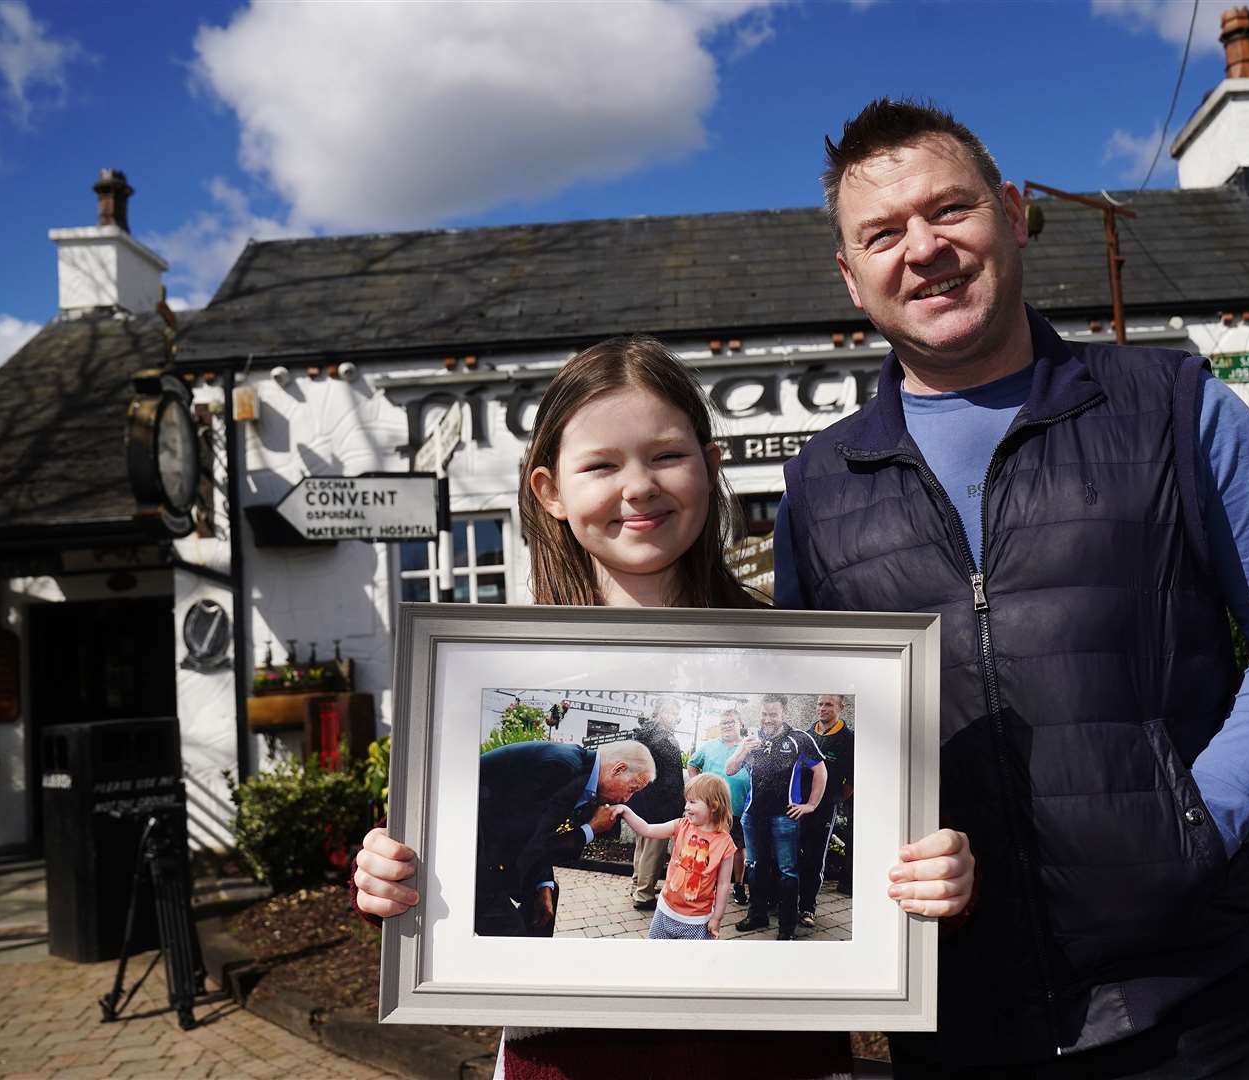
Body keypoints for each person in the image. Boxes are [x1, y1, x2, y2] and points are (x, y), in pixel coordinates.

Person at [770, 98, 1249, 1077]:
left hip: (1195, 1004)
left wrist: (1200, 820)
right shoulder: (818, 487)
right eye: (882, 232)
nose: (923, 248)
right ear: (851, 274)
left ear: (1008, 212)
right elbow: (814, 728)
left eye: (948, 210)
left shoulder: (1171, 405)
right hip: (960, 1020)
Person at [352, 336, 899, 1080]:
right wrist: (398, 882)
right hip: (571, 1060)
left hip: (772, 1055)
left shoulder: (808, 651)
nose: (637, 486)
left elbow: (892, 856)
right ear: (548, 490)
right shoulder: (485, 665)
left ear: (711, 466)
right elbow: (463, 857)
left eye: (666, 456)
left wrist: (929, 881)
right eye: (601, 465)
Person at [473, 738, 654, 936]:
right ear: (618, 769)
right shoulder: (561, 768)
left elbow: (536, 834)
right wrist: (591, 829)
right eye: (632, 789)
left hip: (498, 844)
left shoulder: (580, 770)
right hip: (471, 848)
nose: (627, 799)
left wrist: (544, 884)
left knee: (547, 892)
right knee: (511, 931)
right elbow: (529, 844)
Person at [726, 694, 827, 941]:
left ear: (784, 714)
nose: (768, 719)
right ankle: (757, 914)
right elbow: (729, 769)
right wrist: (743, 751)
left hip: (785, 816)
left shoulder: (799, 739)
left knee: (788, 871)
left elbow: (820, 771)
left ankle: (786, 927)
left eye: (773, 714)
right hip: (753, 815)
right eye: (764, 714)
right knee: (755, 866)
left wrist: (811, 805)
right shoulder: (751, 738)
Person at [616, 772, 737, 940]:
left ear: (714, 805)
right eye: (687, 800)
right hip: (665, 912)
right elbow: (647, 829)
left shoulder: (725, 843)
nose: (686, 806)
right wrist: (625, 811)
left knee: (688, 964)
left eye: (693, 802)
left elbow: (724, 884)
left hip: (697, 922)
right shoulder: (681, 826)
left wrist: (717, 918)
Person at [797, 693, 854, 927]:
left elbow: (851, 781)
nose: (822, 708)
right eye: (820, 704)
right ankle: (788, 899)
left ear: (842, 706)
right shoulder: (806, 735)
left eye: (828, 704)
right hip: (798, 806)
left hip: (824, 809)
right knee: (793, 853)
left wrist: (833, 800)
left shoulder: (849, 740)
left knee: (814, 856)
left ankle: (807, 907)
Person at [687, 708, 751, 904]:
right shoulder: (708, 746)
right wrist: (698, 791)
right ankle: (702, 884)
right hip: (711, 810)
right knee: (706, 846)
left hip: (739, 808)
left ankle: (738, 886)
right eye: (724, 723)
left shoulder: (748, 747)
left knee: (739, 849)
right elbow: (692, 764)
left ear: (741, 724)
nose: (727, 726)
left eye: (732, 722)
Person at [628, 698, 686, 911]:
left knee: (643, 845)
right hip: (660, 803)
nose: (673, 717)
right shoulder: (663, 737)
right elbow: (671, 776)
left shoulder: (646, 733)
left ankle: (637, 885)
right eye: (670, 712)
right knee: (654, 849)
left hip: (644, 800)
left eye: (675, 713)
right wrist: (679, 800)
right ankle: (644, 895)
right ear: (660, 712)